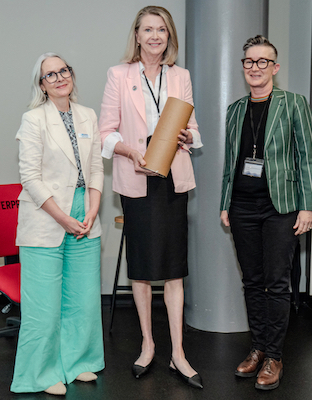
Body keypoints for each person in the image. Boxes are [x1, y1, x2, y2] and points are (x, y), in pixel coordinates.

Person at [99, 5, 203, 389]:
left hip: (172, 181)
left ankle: (178, 352)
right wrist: (130, 151)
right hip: (138, 179)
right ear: (137, 35)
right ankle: (147, 345)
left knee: (175, 268)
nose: (155, 36)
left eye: (162, 29)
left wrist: (187, 137)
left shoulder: (181, 76)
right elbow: (105, 132)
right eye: (148, 29)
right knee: (141, 268)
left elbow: (193, 128)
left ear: (168, 36)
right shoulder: (119, 74)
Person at [220, 35, 312, 391]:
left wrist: (308, 205)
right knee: (251, 281)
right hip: (242, 206)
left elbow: (306, 156)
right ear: (243, 66)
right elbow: (230, 163)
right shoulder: (234, 110)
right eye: (249, 61)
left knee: (277, 283)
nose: (255, 68)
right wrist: (224, 203)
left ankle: (275, 356)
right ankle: (258, 347)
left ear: (274, 68)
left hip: (282, 206)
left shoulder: (294, 104)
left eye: (263, 62)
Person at [11, 53, 104, 396]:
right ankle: (40, 372)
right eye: (50, 75)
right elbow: (30, 178)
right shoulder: (33, 119)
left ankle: (78, 361)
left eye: (63, 70)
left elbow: (95, 167)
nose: (59, 77)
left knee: (82, 299)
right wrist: (63, 218)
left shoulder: (87, 115)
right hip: (46, 215)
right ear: (42, 84)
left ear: (71, 74)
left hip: (85, 211)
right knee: (44, 306)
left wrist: (93, 208)